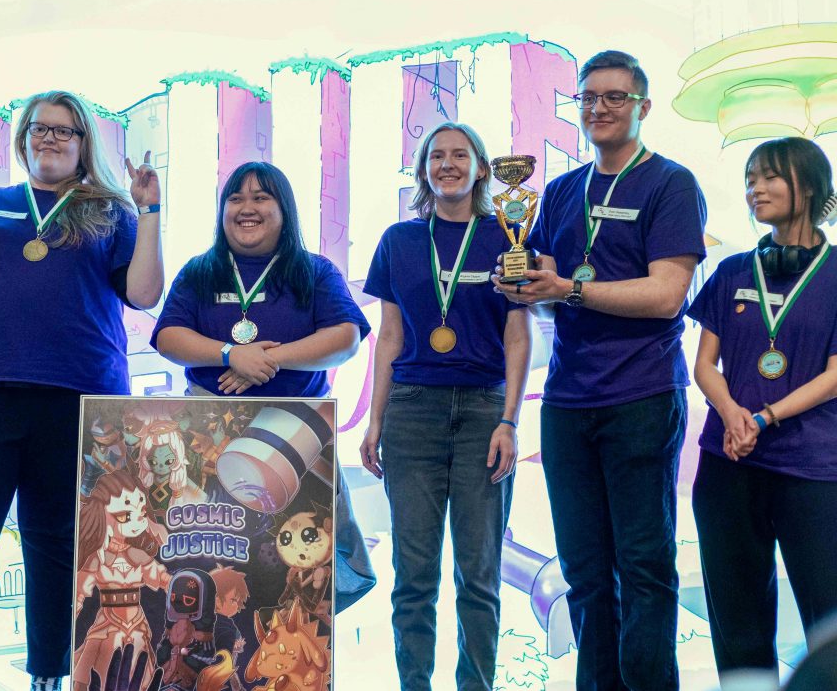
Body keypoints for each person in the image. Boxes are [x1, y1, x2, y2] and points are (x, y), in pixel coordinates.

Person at [0, 89, 163, 691]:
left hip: (78, 400)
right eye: (41, 129)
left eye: (64, 131)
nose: (51, 139)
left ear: (83, 144)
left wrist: (149, 212)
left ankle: (49, 673)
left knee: (57, 543)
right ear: (22, 139)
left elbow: (144, 294)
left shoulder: (110, 213)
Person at [493, 50, 707, 690]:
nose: (600, 108)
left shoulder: (671, 184)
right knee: (584, 570)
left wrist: (569, 289)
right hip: (567, 401)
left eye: (615, 97)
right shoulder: (557, 192)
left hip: (641, 395)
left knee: (643, 565)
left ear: (642, 107)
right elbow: (540, 278)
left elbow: (667, 294)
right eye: (589, 98)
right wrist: (519, 280)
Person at [150, 160, 376, 614]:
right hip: (208, 443)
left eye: (260, 197)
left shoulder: (313, 271)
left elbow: (346, 336)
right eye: (236, 198)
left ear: (284, 210)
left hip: (296, 442)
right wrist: (231, 355)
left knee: (295, 571)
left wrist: (266, 359)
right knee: (211, 570)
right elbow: (168, 337)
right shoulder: (201, 271)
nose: (246, 208)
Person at [360, 122, 530, 690]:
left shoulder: (507, 238)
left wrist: (509, 419)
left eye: (461, 155)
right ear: (423, 168)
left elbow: (517, 338)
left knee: (479, 575)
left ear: (482, 168)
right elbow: (388, 336)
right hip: (411, 412)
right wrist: (375, 419)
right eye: (437, 155)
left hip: (484, 412)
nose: (448, 164)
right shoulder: (399, 241)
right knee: (413, 576)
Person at [688, 137, 837, 681]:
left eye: (771, 177)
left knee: (829, 618)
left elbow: (836, 376)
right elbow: (705, 364)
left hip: (813, 469)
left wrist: (763, 417)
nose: (756, 188)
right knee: (737, 622)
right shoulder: (731, 271)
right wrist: (730, 412)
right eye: (751, 178)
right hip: (728, 463)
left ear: (812, 186)